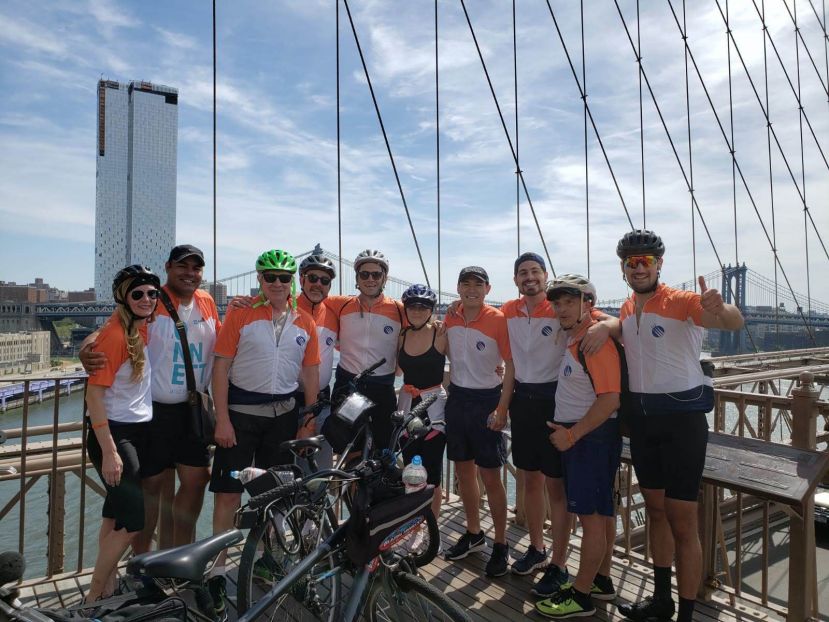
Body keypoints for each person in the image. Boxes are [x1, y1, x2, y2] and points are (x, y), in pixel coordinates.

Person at [613, 230, 744, 622]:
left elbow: (733, 324)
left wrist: (722, 308)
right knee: (655, 510)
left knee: (682, 519)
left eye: (645, 261)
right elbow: (624, 334)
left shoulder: (684, 301)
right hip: (642, 421)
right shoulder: (624, 309)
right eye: (631, 262)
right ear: (623, 268)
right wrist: (605, 326)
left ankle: (686, 613)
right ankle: (661, 600)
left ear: (658, 265)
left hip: (682, 423)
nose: (638, 268)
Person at [80, 245, 220, 552]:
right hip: (154, 412)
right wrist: (86, 348)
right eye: (183, 266)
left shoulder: (207, 302)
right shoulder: (152, 299)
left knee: (198, 480)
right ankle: (142, 563)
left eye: (197, 268)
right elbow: (110, 327)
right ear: (168, 267)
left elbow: (222, 347)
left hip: (194, 410)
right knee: (151, 488)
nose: (190, 273)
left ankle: (181, 553)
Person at [207, 249, 320, 614]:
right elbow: (221, 368)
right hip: (240, 417)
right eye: (269, 277)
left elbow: (311, 372)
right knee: (227, 496)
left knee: (275, 494)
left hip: (284, 417)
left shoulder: (305, 321)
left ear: (292, 283)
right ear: (259, 279)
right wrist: (221, 420)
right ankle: (217, 571)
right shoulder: (240, 312)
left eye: (283, 278)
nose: (276, 284)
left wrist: (308, 418)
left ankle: (268, 561)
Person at [502, 252, 618, 597]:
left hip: (556, 403)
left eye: (535, 271)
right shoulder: (508, 310)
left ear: (545, 274)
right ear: (515, 280)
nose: (529, 277)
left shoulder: (567, 311)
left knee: (558, 490)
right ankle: (538, 549)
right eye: (522, 272)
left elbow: (615, 322)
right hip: (524, 402)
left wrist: (608, 325)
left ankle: (560, 562)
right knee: (529, 480)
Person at [535, 274, 621, 619]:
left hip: (589, 439)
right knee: (601, 514)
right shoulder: (581, 335)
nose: (561, 308)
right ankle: (600, 580)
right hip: (588, 437)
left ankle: (581, 595)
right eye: (557, 302)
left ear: (589, 303)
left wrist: (572, 435)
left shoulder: (593, 341)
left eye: (570, 301)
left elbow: (610, 399)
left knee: (591, 520)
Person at [84, 265, 160, 602]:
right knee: (132, 522)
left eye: (152, 293)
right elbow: (94, 396)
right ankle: (93, 596)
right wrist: (111, 452)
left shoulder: (137, 328)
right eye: (138, 294)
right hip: (115, 435)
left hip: (136, 430)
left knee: (114, 514)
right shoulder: (116, 336)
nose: (147, 299)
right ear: (123, 298)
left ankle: (107, 587)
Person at [443, 266, 514, 578]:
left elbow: (511, 366)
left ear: (487, 289)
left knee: (491, 477)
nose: (471, 289)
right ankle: (474, 533)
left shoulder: (498, 320)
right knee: (462, 472)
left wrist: (502, 408)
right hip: (457, 399)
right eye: (465, 284)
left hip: (487, 400)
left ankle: (500, 544)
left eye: (478, 284)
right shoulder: (449, 317)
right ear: (458, 288)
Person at [324, 249, 405, 451]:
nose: (370, 279)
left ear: (385, 278)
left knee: (386, 447)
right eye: (364, 274)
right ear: (357, 278)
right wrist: (249, 302)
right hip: (349, 386)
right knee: (345, 445)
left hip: (382, 387)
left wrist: (456, 307)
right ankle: (348, 482)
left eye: (376, 274)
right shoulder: (340, 304)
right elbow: (304, 301)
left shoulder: (399, 309)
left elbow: (428, 322)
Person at [396, 284, 448, 519]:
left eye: (424, 306)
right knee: (410, 471)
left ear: (431, 309)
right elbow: (396, 371)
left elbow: (464, 362)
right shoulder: (402, 334)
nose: (417, 310)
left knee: (433, 474)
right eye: (412, 306)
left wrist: (497, 368)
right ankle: (412, 523)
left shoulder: (441, 333)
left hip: (434, 407)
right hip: (407, 405)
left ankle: (432, 526)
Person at [295, 250, 339, 470]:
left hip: (321, 404)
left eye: (325, 280)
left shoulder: (335, 312)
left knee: (318, 472)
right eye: (312, 278)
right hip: (287, 404)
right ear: (301, 278)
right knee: (285, 472)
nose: (318, 284)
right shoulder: (284, 307)